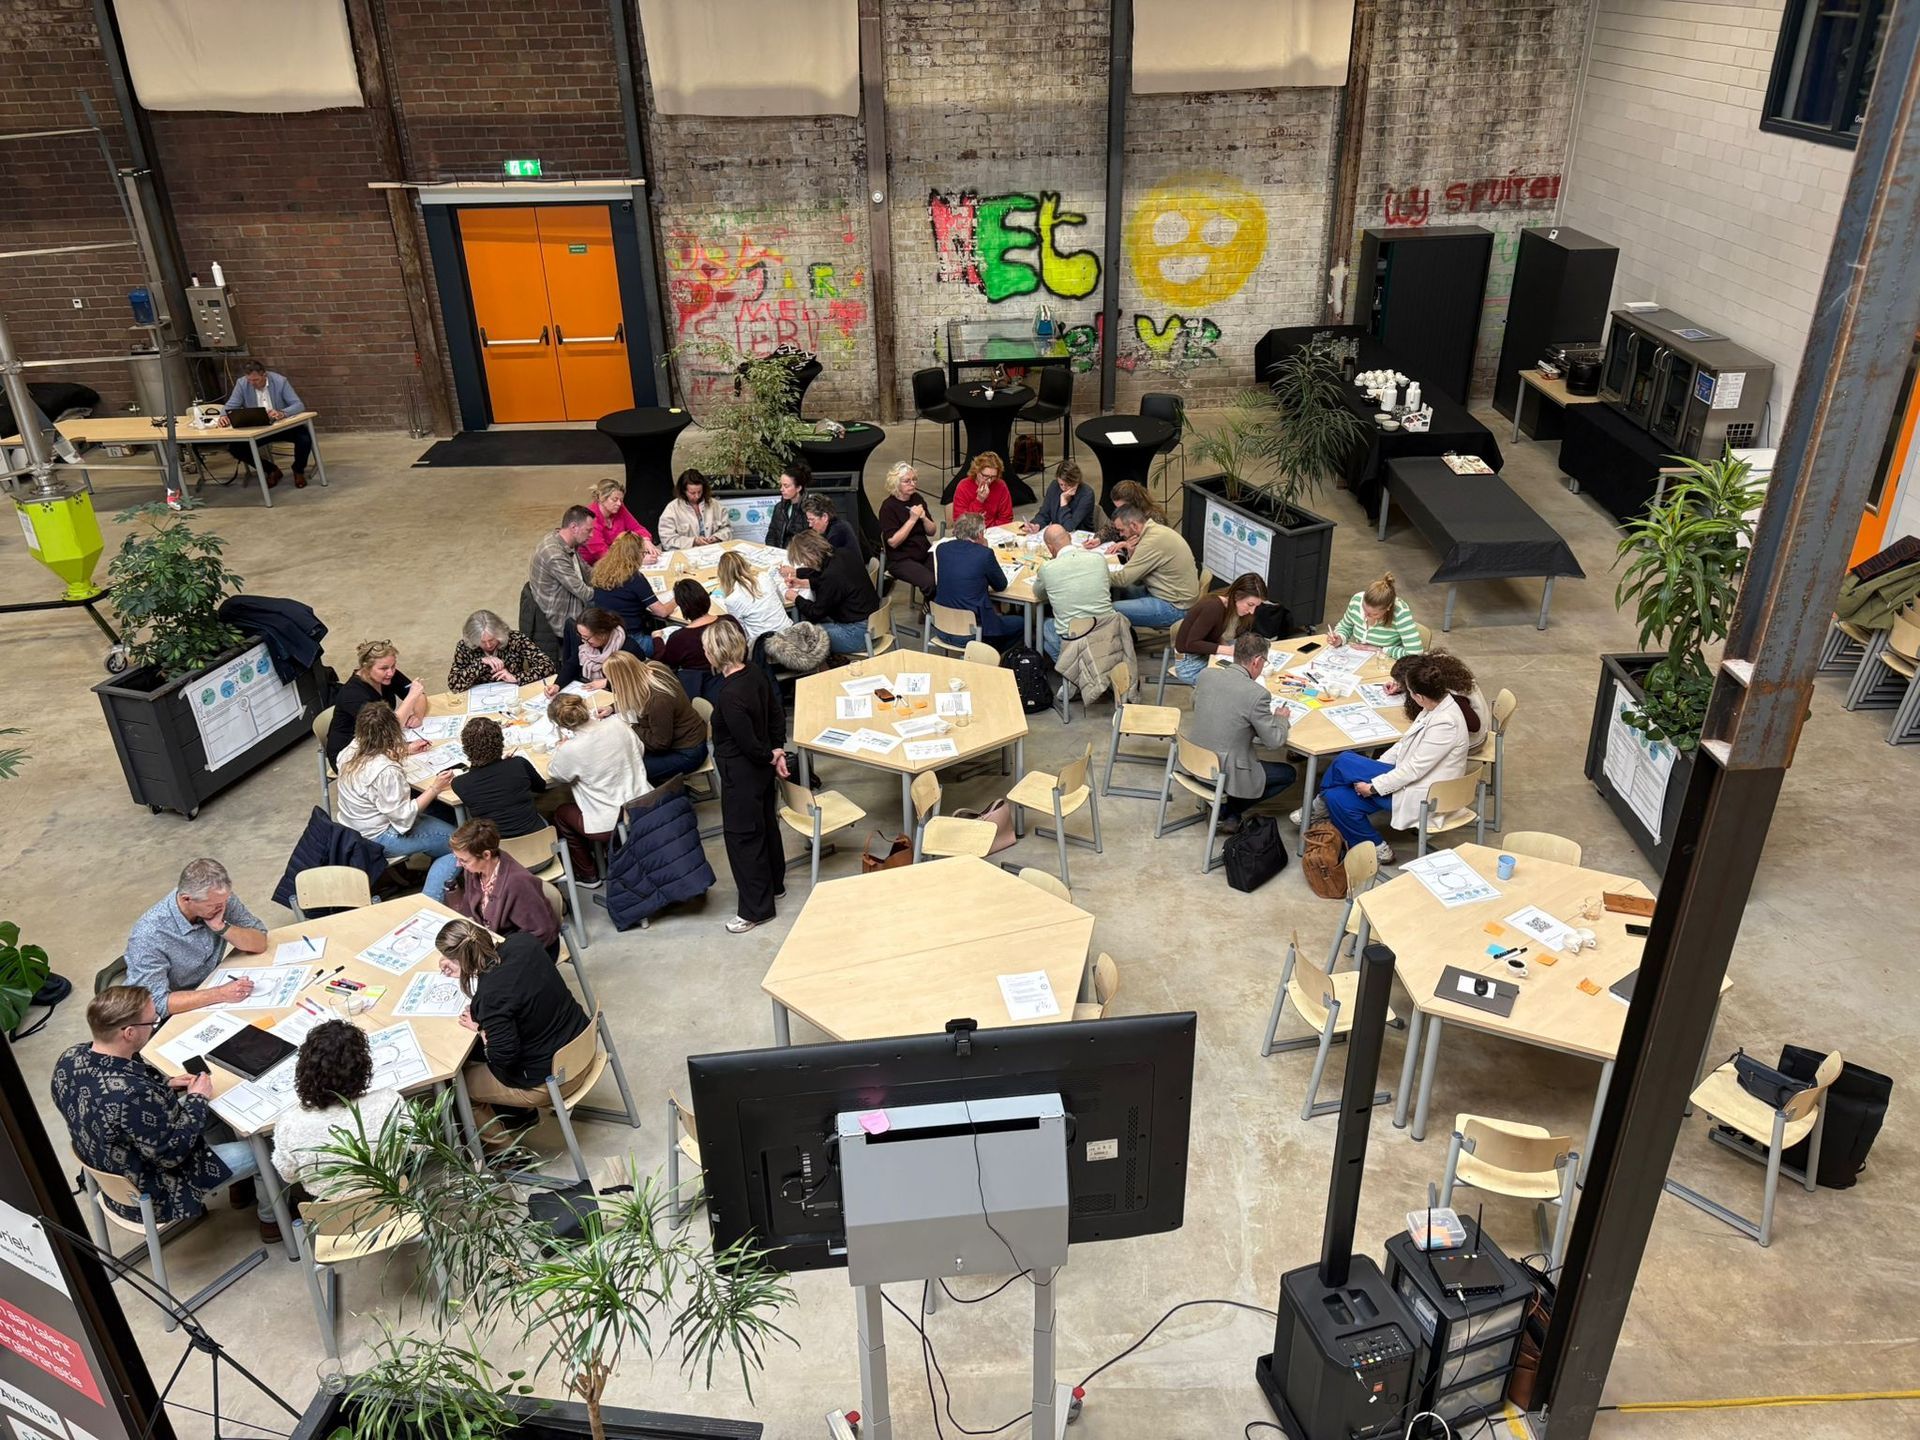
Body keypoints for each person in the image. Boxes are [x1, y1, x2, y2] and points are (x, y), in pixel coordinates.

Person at [52, 986, 278, 1238]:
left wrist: (163, 1084)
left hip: (114, 1166)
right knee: (269, 1151)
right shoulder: (133, 1096)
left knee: (212, 1113)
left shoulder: (70, 1058)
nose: (154, 1025)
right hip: (155, 1189)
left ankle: (240, 1185)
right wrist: (196, 1099)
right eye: (152, 1021)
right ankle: (273, 1220)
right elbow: (172, 1153)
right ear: (129, 1032)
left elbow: (112, 1101)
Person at [1310, 654, 1473, 865]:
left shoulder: (1446, 723)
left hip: (1426, 792)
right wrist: (1378, 767)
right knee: (1336, 797)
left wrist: (1374, 787)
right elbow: (1403, 745)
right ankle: (1378, 846)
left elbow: (1414, 770)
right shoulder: (1436, 705)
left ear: (1419, 696)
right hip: (1409, 777)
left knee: (1344, 761)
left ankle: (1316, 806)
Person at [435, 921, 589, 1137]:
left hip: (554, 1079)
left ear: (461, 960)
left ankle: (506, 1157)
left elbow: (503, 1056)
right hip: (581, 1042)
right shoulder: (523, 942)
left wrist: (480, 1029)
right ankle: (520, 1115)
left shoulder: (491, 996)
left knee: (456, 1088)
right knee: (477, 1053)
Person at [703, 619, 788, 934]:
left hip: (742, 774)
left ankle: (756, 909)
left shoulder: (729, 694)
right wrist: (777, 752)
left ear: (714, 653)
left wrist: (767, 755)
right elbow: (776, 713)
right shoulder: (755, 672)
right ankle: (774, 884)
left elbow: (747, 743)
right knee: (766, 826)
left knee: (743, 839)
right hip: (763, 768)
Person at [336, 704, 461, 900]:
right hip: (381, 837)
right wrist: (435, 788)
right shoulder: (385, 771)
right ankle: (431, 901)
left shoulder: (349, 750)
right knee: (461, 845)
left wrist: (406, 750)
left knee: (439, 815)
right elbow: (403, 818)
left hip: (352, 829)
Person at [125, 858, 268, 1020]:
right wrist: (220, 993)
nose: (222, 907)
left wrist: (222, 927)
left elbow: (260, 941)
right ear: (187, 899)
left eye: (225, 901)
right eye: (213, 905)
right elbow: (155, 1003)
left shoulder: (217, 898)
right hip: (176, 1010)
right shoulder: (149, 935)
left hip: (211, 987)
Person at [271, 1020, 404, 1192]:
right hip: (392, 1197)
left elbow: (288, 1175)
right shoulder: (388, 1102)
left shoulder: (289, 1123)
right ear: (363, 1067)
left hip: (329, 1211)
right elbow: (418, 1144)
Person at [1189, 632, 1296, 831]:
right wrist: (1281, 718)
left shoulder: (1206, 674)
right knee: (1288, 774)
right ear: (1257, 661)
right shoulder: (1257, 694)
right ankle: (1227, 810)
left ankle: (1226, 810)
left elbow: (1195, 704)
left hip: (1192, 759)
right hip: (1223, 769)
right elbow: (1274, 742)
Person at [546, 692, 649, 884]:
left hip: (608, 820)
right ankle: (608, 851)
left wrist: (561, 748)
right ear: (585, 707)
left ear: (561, 725)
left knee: (561, 813)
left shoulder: (570, 749)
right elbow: (639, 750)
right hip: (643, 800)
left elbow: (557, 774)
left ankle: (588, 873)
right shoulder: (616, 724)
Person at [444, 818, 561, 955]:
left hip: (530, 951)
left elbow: (542, 932)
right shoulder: (474, 870)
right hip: (493, 943)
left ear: (486, 855)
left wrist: (497, 954)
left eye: (463, 860)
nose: (458, 864)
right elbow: (469, 907)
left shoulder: (518, 883)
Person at [604, 652, 709, 783]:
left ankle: (666, 796)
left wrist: (632, 727)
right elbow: (635, 693)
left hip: (687, 751)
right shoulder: (653, 668)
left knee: (629, 771)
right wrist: (613, 707)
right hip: (689, 736)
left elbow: (659, 743)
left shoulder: (658, 700)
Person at [325, 640, 428, 767]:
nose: (390, 672)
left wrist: (418, 715)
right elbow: (389, 729)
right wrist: (411, 697)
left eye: (393, 666)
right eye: (384, 668)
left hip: (380, 742)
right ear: (366, 667)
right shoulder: (353, 695)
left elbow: (420, 696)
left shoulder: (387, 675)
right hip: (351, 754)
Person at [932, 512, 1021, 650]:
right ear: (979, 534)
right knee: (1022, 624)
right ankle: (991, 655)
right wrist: (984, 549)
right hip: (972, 632)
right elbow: (1000, 585)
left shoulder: (941, 549)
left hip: (941, 626)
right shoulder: (984, 554)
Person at [217, 360, 311, 490]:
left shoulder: (280, 381)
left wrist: (282, 413)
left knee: (304, 438)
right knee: (235, 448)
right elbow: (231, 405)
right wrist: (223, 416)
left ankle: (298, 470)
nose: (252, 383)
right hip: (258, 429)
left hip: (282, 426)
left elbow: (298, 405)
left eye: (256, 380)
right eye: (250, 380)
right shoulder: (242, 383)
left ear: (264, 375)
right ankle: (271, 469)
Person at [1108, 503, 1201, 632]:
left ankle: (1124, 645)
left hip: (1175, 607)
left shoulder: (1151, 542)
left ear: (1134, 525)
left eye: (1121, 530)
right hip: (1170, 594)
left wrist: (1095, 573)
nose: (1121, 535)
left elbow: (1123, 579)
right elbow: (1135, 578)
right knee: (1117, 592)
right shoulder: (1156, 531)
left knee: (1108, 609)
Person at [1030, 524, 1114, 662]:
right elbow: (1106, 586)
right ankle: (1086, 668)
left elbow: (1039, 594)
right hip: (1107, 631)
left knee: (1044, 626)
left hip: (1075, 637)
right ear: (1069, 537)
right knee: (1048, 644)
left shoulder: (1048, 568)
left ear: (1050, 548)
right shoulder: (1099, 559)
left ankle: (1075, 672)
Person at [785, 528, 878, 654]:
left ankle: (820, 669)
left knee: (803, 636)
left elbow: (816, 612)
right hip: (873, 623)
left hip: (858, 634)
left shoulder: (831, 576)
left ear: (810, 554)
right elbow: (834, 583)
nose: (803, 563)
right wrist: (805, 582)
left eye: (803, 559)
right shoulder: (843, 553)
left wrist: (796, 598)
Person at [453, 717, 547, 838]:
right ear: (501, 742)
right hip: (538, 839)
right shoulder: (518, 764)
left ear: (466, 749)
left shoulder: (459, 784)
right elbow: (541, 787)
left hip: (496, 848)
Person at [1170, 573, 1269, 687]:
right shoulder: (1213, 607)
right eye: (1250, 604)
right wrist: (1229, 651)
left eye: (1256, 606)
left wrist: (1226, 647)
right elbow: (1191, 644)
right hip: (1189, 665)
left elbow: (1212, 633)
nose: (1252, 611)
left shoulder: (1225, 605)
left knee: (1249, 653)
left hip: (1203, 654)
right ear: (1237, 595)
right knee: (1237, 683)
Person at [590, 532, 675, 645]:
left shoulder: (600, 569)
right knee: (674, 641)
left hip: (606, 637)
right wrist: (678, 598)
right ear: (636, 554)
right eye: (643, 553)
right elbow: (662, 612)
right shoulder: (634, 578)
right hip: (631, 640)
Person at [529, 506, 598, 644]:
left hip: (572, 601)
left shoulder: (567, 541)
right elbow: (584, 593)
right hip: (563, 618)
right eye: (588, 530)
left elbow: (587, 571)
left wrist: (612, 576)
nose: (591, 535)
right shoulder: (554, 554)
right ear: (574, 527)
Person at [447, 610, 557, 692]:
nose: (488, 645)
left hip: (514, 694)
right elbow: (454, 685)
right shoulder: (465, 647)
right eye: (482, 642)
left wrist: (516, 677)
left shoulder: (515, 639)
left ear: (499, 634)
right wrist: (480, 663)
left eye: (492, 640)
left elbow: (548, 666)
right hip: (479, 698)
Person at [877, 461, 937, 599]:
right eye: (907, 481)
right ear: (896, 484)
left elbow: (932, 531)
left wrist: (924, 519)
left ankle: (931, 609)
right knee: (929, 581)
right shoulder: (888, 507)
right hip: (900, 559)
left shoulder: (917, 498)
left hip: (923, 552)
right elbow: (893, 542)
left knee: (946, 572)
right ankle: (932, 612)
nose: (913, 484)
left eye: (914, 480)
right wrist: (912, 520)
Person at [1330, 572, 1424, 657]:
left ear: (1388, 607)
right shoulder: (1357, 599)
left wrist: (1382, 650)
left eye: (1373, 614)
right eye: (1364, 609)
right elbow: (1346, 626)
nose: (1365, 616)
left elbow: (1415, 653)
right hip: (1359, 656)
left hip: (1386, 662)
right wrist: (1339, 638)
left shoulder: (1400, 613)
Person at [717, 550, 794, 652]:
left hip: (764, 647)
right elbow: (781, 601)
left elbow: (741, 632)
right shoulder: (764, 577)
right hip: (790, 634)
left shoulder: (731, 600)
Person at [580, 478, 658, 568]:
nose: (619, 504)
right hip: (594, 567)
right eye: (614, 499)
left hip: (619, 560)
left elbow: (637, 528)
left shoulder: (619, 508)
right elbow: (603, 555)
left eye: (621, 500)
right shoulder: (590, 518)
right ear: (601, 497)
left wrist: (646, 540)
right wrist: (637, 560)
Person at [656, 579, 721, 683]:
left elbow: (665, 662)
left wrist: (657, 639)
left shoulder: (680, 638)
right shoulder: (729, 621)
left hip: (698, 683)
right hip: (727, 676)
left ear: (682, 608)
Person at [658, 470, 732, 550]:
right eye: (692, 493)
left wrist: (716, 537)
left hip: (713, 550)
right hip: (686, 554)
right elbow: (667, 540)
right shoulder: (671, 509)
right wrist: (693, 541)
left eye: (699, 492)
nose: (697, 496)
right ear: (683, 491)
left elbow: (727, 529)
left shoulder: (715, 505)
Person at [1025, 459, 1096, 535]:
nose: (1064, 488)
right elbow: (1044, 513)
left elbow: (1069, 527)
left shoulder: (1086, 494)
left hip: (1080, 537)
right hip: (1057, 534)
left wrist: (1063, 503)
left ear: (1076, 482)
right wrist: (1037, 524)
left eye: (1068, 485)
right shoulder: (1054, 486)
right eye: (1061, 484)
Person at [565, 607, 627, 690]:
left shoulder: (628, 648)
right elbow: (571, 665)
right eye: (581, 636)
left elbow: (635, 679)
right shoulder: (588, 645)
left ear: (602, 633)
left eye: (586, 637)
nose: (583, 640)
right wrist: (557, 685)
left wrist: (607, 683)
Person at [950, 452, 1014, 529]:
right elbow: (961, 523)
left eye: (993, 476)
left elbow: (1006, 517)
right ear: (976, 471)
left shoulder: (1000, 485)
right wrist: (979, 500)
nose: (989, 481)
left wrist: (992, 530)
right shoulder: (963, 486)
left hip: (994, 532)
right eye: (985, 476)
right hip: (969, 533)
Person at [1089, 480, 1161, 547]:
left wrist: (1126, 545)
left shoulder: (1154, 518)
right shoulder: (1127, 512)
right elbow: (1113, 529)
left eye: (1122, 508)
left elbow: (1152, 545)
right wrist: (1099, 539)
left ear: (1133, 502)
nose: (1120, 511)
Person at [763, 459, 813, 550]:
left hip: (798, 557)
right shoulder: (779, 507)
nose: (781, 489)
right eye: (781, 485)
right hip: (777, 555)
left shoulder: (809, 509)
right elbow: (771, 534)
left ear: (798, 488)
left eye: (786, 486)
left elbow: (810, 542)